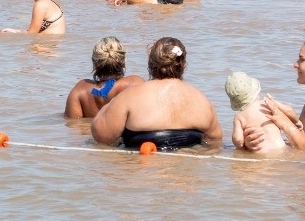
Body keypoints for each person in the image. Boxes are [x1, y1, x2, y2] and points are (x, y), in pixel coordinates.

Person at [90, 37, 221, 150]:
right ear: (183, 65)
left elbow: (101, 136)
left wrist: (107, 108)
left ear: (150, 63)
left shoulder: (129, 97)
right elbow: (215, 142)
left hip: (144, 169)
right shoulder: (202, 100)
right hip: (185, 172)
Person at [63, 36, 143, 118]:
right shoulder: (134, 84)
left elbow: (72, 126)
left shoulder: (80, 90)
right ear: (123, 62)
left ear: (94, 63)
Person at [227, 70, 285, 152]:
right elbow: (286, 116)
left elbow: (238, 140)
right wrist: (296, 122)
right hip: (280, 148)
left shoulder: (239, 117)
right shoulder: (266, 104)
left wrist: (239, 144)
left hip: (261, 154)